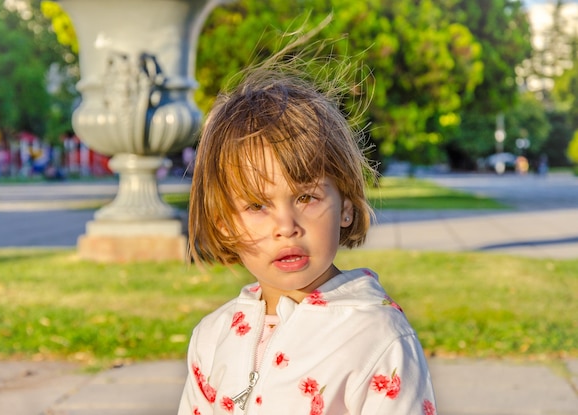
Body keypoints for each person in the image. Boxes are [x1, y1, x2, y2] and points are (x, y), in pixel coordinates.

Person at [178, 67, 436, 414]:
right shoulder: (212, 338)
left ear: (345, 207)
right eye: (257, 205)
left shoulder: (377, 336)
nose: (286, 226)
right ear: (225, 224)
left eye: (306, 198)